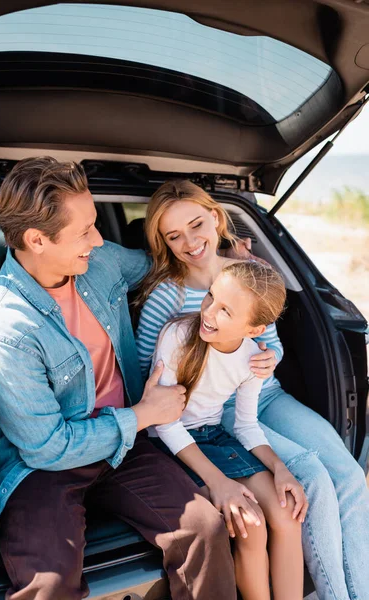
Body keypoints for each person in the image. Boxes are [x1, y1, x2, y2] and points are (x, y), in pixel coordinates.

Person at [0, 158, 237, 600]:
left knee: (205, 530)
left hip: (125, 446)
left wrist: (232, 264)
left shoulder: (100, 262)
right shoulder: (7, 329)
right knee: (50, 586)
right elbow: (47, 446)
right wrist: (142, 415)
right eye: (84, 232)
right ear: (36, 240)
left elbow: (166, 262)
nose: (98, 240)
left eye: (96, 225)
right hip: (42, 467)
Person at [135, 179, 369, 600]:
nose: (190, 242)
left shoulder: (248, 273)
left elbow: (268, 340)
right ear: (163, 242)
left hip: (263, 392)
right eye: (174, 236)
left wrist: (268, 359)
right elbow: (146, 373)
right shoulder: (166, 299)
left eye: (197, 224)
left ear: (217, 218)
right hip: (212, 410)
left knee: (350, 476)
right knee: (312, 477)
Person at [151, 260, 307, 600]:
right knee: (251, 525)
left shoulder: (253, 358)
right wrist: (218, 482)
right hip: (172, 445)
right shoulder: (177, 336)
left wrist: (280, 468)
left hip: (213, 436)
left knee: (286, 514)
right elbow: (164, 422)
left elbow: (246, 425)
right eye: (210, 297)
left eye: (225, 311)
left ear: (253, 329)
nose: (208, 312)